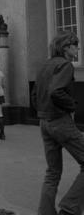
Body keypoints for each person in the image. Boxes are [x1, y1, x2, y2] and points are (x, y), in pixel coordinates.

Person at [32, 30, 84, 215]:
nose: (77, 48)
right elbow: (56, 91)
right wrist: (72, 106)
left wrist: (42, 112)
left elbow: (35, 95)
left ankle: (45, 212)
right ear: (66, 47)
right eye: (75, 45)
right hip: (60, 121)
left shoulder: (45, 66)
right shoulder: (65, 65)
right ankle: (70, 209)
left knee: (53, 172)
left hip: (44, 122)